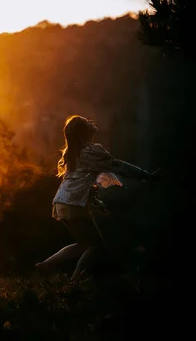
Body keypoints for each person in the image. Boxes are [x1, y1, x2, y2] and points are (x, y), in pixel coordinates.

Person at [35, 115, 162, 281]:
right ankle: (74, 283)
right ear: (83, 132)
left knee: (84, 244)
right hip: (73, 204)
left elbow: (83, 185)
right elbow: (118, 165)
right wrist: (145, 175)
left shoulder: (75, 153)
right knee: (96, 247)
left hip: (62, 203)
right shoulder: (92, 151)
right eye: (87, 122)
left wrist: (98, 204)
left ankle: (46, 264)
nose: (92, 122)